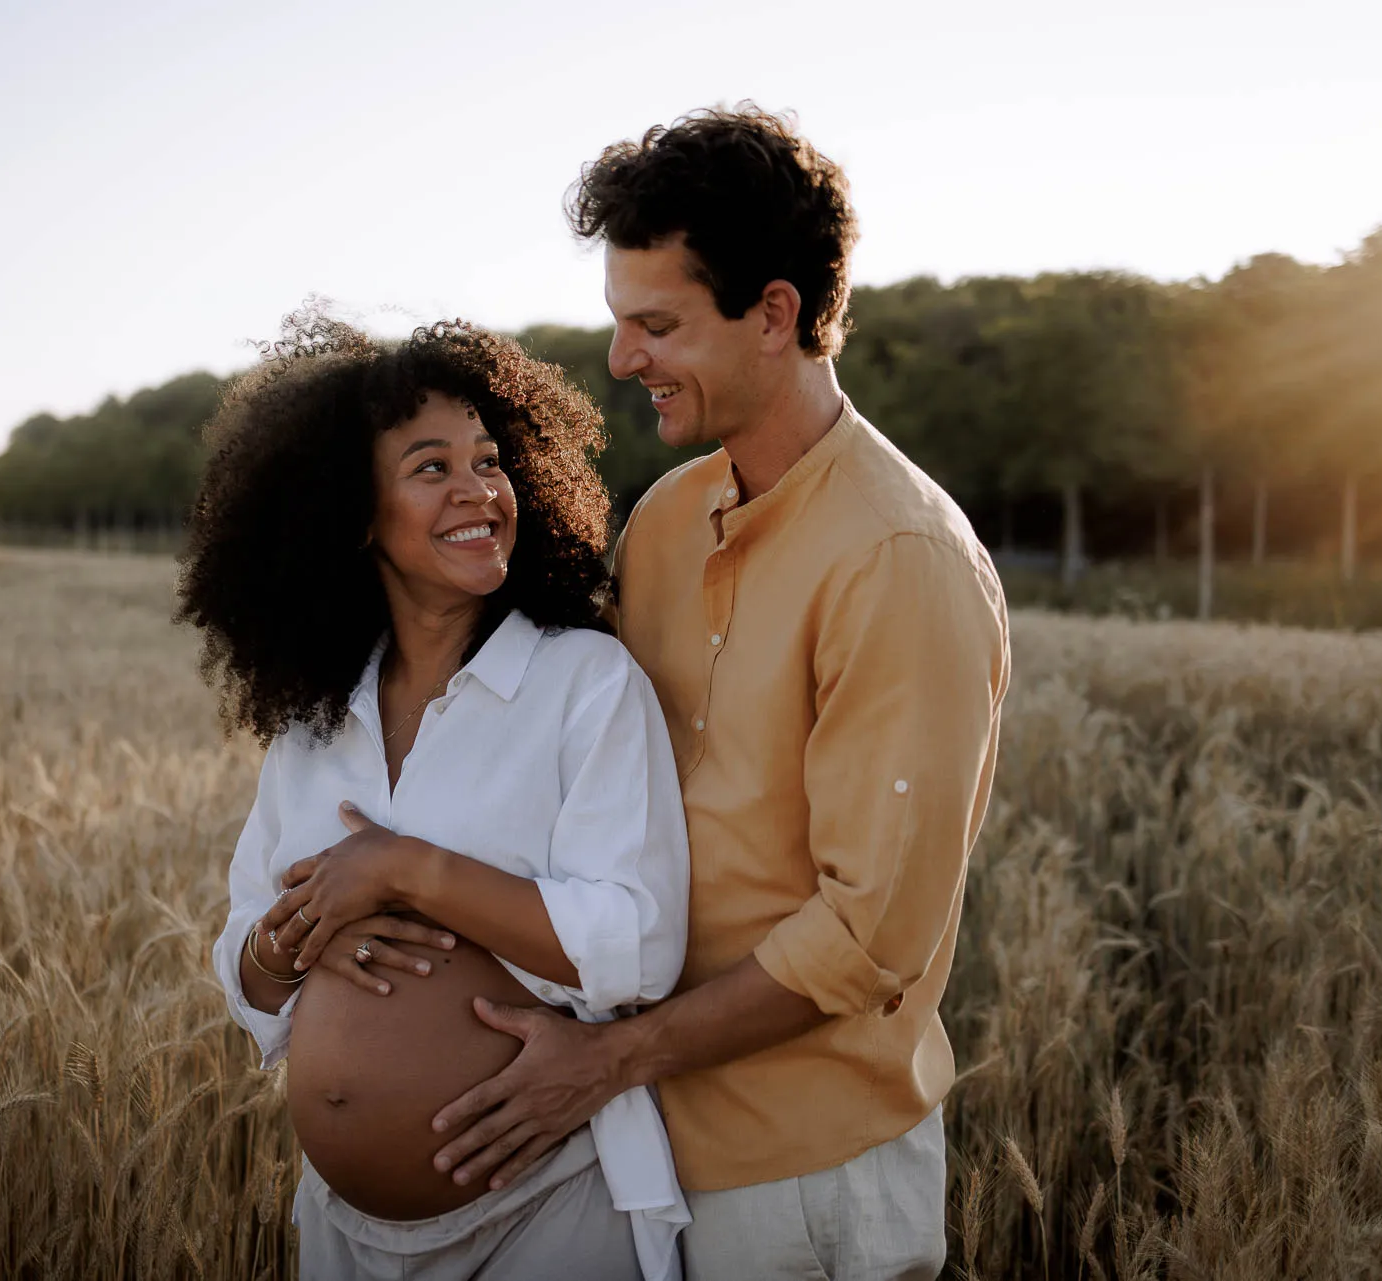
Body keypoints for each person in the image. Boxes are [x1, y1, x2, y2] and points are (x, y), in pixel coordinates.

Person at [422, 106, 1013, 1281]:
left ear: (777, 314)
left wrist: (610, 1058)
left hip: (809, 1184)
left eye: (657, 325)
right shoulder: (665, 521)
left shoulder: (900, 558)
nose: (622, 360)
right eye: (619, 323)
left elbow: (864, 937)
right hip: (631, 1162)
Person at [181, 313, 691, 1281]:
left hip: (546, 1210)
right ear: (356, 513)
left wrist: (403, 871)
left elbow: (639, 943)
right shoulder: (316, 721)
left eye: (491, 461)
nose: (479, 492)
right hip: (339, 1231)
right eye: (431, 468)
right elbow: (247, 976)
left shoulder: (583, 682)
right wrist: (293, 937)